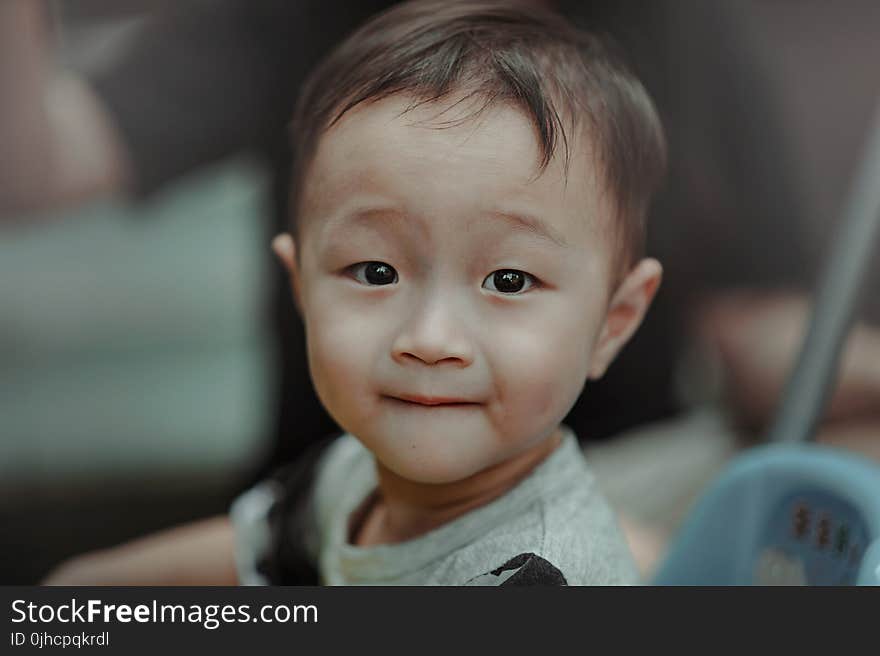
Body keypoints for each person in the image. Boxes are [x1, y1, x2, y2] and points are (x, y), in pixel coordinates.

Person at [45, 0, 666, 585]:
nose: (429, 340)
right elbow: (252, 545)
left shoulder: (540, 577)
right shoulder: (353, 474)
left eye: (508, 281)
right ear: (301, 287)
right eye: (375, 272)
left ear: (614, 322)